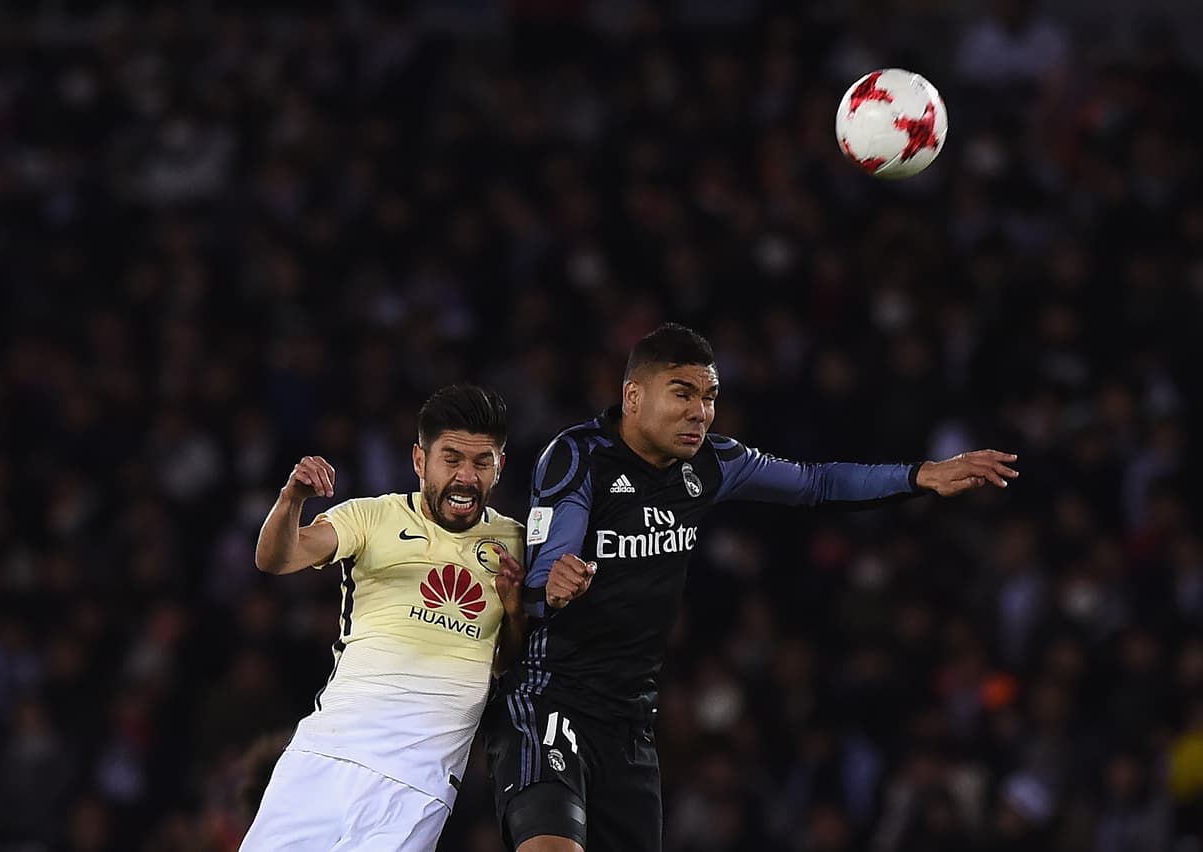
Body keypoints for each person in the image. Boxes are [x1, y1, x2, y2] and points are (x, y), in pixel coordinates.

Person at [482, 323, 1019, 852]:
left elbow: (816, 482)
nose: (700, 412)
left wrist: (920, 475)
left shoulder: (714, 463)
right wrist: (552, 589)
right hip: (550, 699)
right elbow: (540, 582)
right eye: (683, 393)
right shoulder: (578, 456)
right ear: (633, 395)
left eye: (710, 397)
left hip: (629, 722)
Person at [241, 384, 527, 851]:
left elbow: (510, 665)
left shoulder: (516, 544)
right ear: (420, 461)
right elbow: (276, 558)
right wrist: (292, 499)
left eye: (482, 462)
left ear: (500, 466)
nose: (466, 477)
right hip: (326, 755)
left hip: (419, 783)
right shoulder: (371, 517)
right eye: (451, 459)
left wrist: (515, 613)